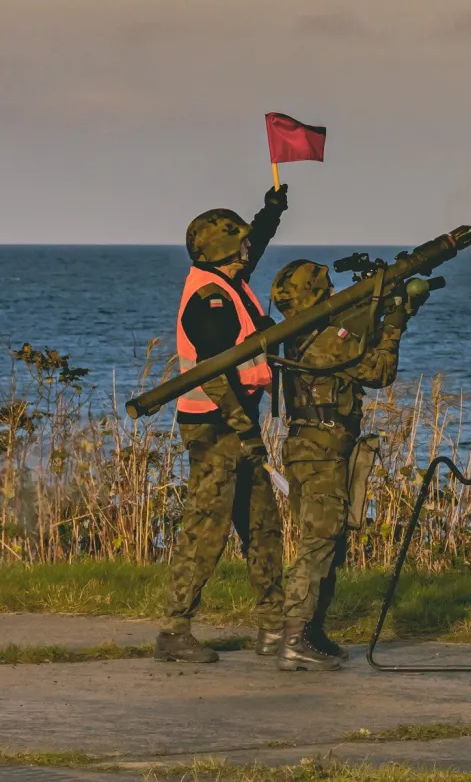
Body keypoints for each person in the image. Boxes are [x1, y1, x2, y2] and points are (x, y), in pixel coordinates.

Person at [268, 260, 429, 670]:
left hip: (316, 447)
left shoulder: (302, 333)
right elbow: (379, 371)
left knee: (332, 541)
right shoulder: (323, 339)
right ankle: (295, 636)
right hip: (321, 450)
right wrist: (394, 324)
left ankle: (312, 631)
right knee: (319, 543)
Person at [154, 185, 289, 664]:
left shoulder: (226, 279)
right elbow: (213, 376)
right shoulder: (209, 297)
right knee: (206, 528)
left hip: (238, 422)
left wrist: (270, 213)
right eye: (243, 242)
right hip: (214, 428)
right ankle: (174, 630)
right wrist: (246, 432)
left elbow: (255, 249)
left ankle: (275, 628)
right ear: (225, 250)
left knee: (263, 526)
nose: (249, 249)